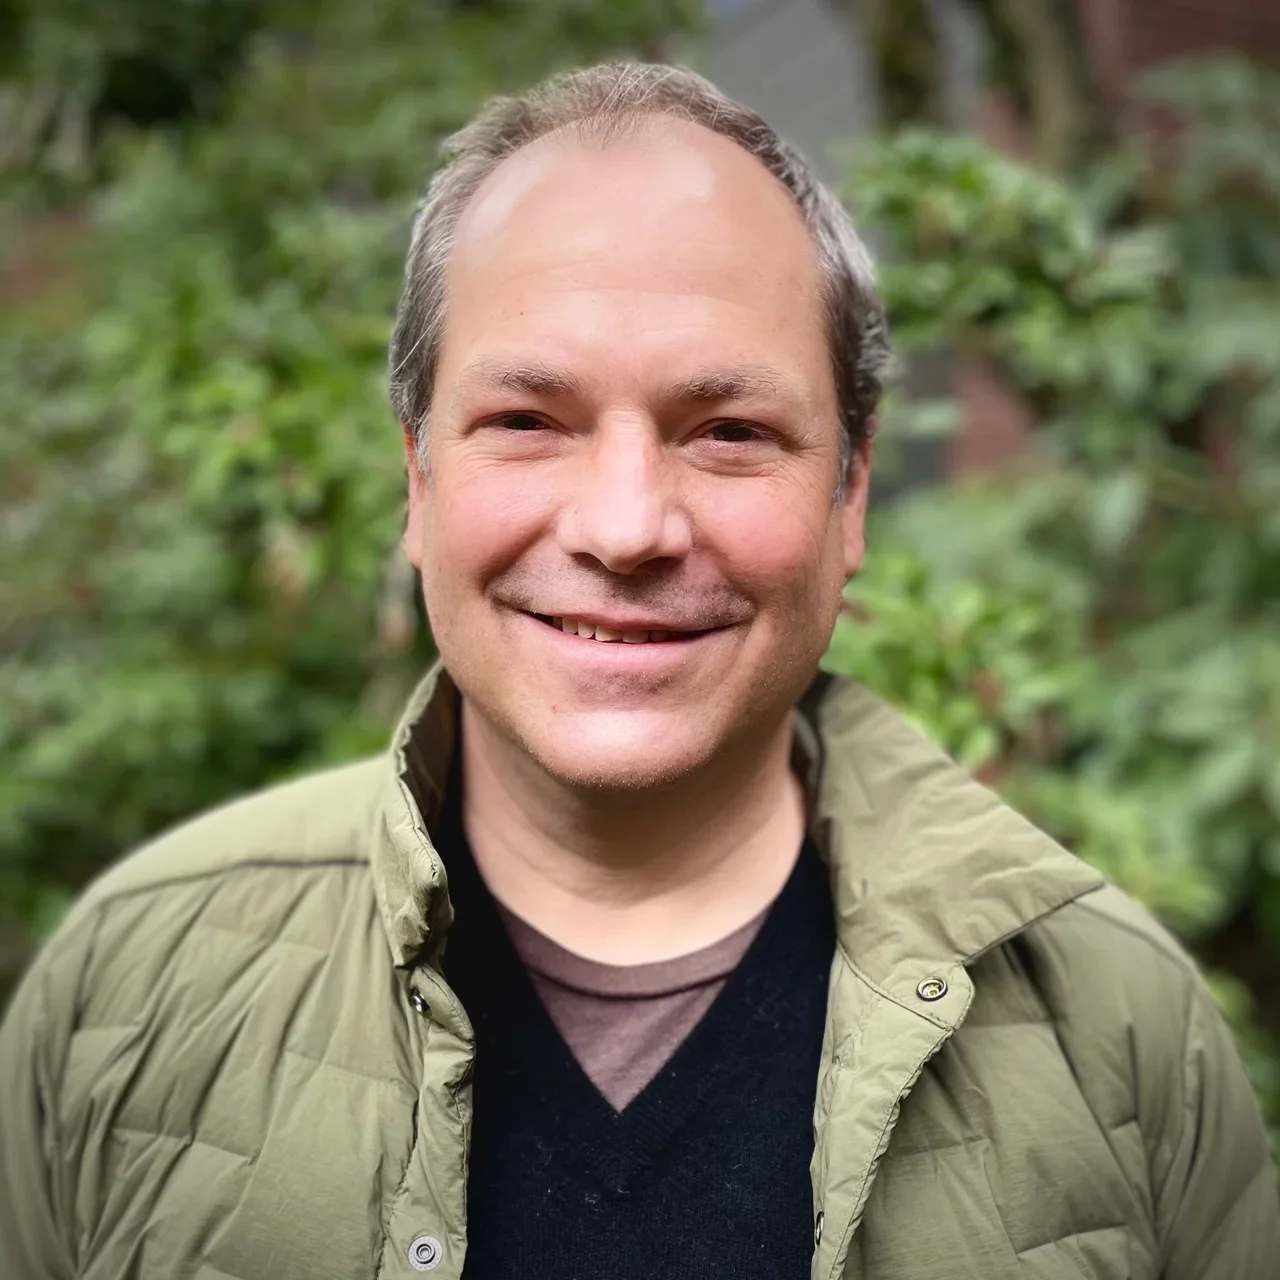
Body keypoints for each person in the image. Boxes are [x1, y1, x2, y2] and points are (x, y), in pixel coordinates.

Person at [2, 60, 1277, 1280]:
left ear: (849, 498)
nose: (623, 526)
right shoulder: (131, 988)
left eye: (728, 431)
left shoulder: (1116, 1026)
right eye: (525, 422)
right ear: (417, 478)